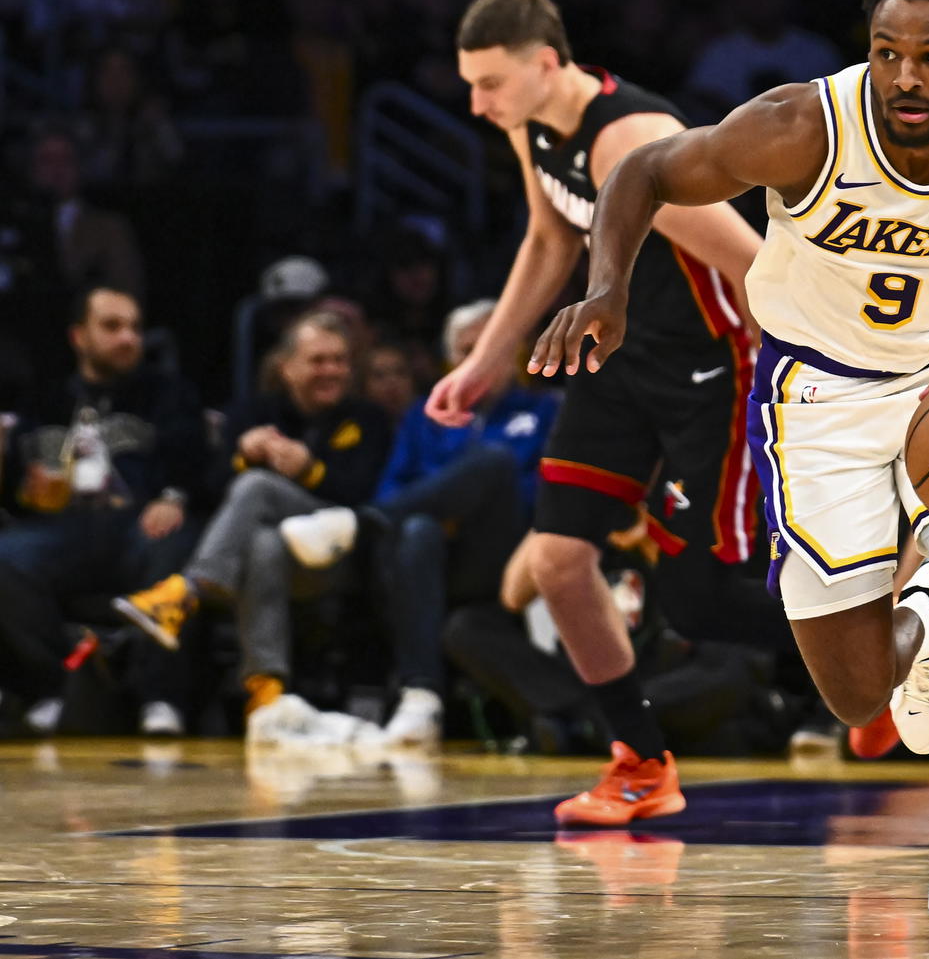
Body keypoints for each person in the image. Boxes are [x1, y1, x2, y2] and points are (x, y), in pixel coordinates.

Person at [531, 0, 929, 944]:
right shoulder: (803, 123)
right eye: (887, 51)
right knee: (856, 699)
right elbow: (643, 170)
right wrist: (606, 287)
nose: (904, 76)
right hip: (818, 398)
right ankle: (921, 630)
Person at [427, 0, 765, 825]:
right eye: (470, 84)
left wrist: (799, 386)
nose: (477, 103)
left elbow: (754, 264)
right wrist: (485, 361)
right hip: (618, 357)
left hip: (712, 367)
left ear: (546, 63)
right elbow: (551, 238)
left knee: (698, 599)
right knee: (557, 560)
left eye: (491, 83)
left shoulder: (635, 141)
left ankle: (896, 645)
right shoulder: (531, 124)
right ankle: (641, 762)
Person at [281, 299, 561, 745]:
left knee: (495, 464)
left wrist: (454, 502)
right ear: (452, 362)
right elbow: (392, 489)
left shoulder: (547, 410)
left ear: (516, 352)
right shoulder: (426, 416)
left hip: (504, 557)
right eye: (468, 350)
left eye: (493, 345)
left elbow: (545, 496)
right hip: (423, 560)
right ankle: (421, 699)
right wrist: (437, 507)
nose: (481, 359)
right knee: (418, 530)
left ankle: (358, 524)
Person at [114, 311, 392, 736]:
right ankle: (266, 692)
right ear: (286, 367)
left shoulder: (368, 419)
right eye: (318, 360)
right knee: (263, 543)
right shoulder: (251, 413)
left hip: (342, 559)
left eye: (340, 361)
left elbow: (372, 496)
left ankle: (184, 592)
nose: (332, 371)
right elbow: (208, 491)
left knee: (258, 486)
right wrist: (241, 456)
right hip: (273, 559)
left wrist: (311, 470)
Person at [0, 287, 205, 734]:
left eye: (134, 327)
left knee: (176, 546)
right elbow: (18, 483)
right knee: (7, 556)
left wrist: (173, 496)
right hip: (64, 530)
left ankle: (161, 698)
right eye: (112, 327)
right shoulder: (43, 398)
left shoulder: (167, 393)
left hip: (137, 525)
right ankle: (49, 686)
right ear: (79, 336)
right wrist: (29, 493)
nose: (128, 338)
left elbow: (195, 463)